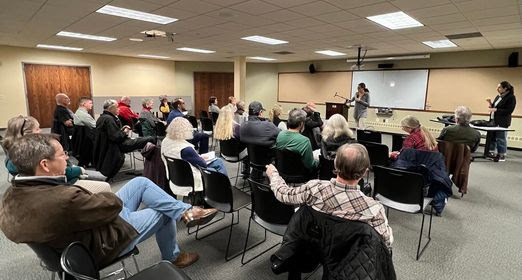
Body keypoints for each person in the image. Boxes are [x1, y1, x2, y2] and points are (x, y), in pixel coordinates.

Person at [0, 133, 218, 268]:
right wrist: (86, 196)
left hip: (83, 232)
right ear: (45, 165)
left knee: (140, 183)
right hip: (102, 243)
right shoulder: (63, 199)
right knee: (162, 211)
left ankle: (186, 211)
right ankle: (174, 255)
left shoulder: (11, 196)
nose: (67, 157)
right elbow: (112, 206)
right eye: (62, 154)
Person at [266, 143, 393, 247]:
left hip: (314, 246)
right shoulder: (374, 209)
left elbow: (284, 194)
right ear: (365, 172)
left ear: (335, 164)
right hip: (346, 258)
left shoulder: (314, 188)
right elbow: (385, 243)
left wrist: (274, 175)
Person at [2, 115, 111, 193]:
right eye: (37, 128)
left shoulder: (14, 152)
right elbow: (57, 172)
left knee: (100, 177)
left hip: (59, 178)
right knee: (104, 183)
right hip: (60, 183)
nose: (41, 131)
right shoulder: (31, 155)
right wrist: (78, 170)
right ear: (27, 134)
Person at [162, 118, 228, 196]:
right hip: (189, 178)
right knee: (218, 163)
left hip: (175, 175)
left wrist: (197, 157)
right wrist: (201, 158)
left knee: (218, 161)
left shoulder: (166, 141)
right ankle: (224, 189)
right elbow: (203, 164)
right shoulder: (186, 149)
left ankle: (222, 186)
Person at [93, 100, 155, 179]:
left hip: (114, 145)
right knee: (151, 139)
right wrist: (125, 132)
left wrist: (122, 130)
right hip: (120, 145)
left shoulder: (102, 118)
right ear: (111, 108)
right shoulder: (109, 119)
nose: (118, 109)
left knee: (146, 139)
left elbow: (113, 134)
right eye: (117, 107)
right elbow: (116, 137)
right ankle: (153, 169)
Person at [214, 105, 249, 177]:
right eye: (233, 113)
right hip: (235, 156)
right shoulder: (236, 128)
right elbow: (244, 141)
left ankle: (246, 172)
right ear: (230, 115)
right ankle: (248, 173)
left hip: (224, 154)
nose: (234, 114)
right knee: (251, 147)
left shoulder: (219, 127)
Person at [486, 81, 516, 161]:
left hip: (502, 121)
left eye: (499, 87)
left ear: (505, 88)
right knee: (492, 137)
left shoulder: (511, 97)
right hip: (493, 120)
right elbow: (495, 107)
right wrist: (490, 103)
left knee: (500, 138)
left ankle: (501, 154)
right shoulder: (498, 96)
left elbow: (509, 110)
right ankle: (491, 152)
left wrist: (496, 109)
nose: (497, 89)